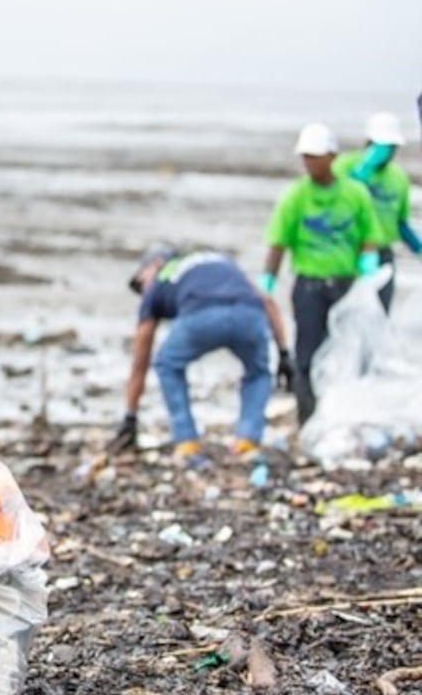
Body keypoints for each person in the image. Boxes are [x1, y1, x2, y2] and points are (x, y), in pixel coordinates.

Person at [108, 247, 291, 466]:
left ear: (156, 264)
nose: (142, 290)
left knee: (167, 363)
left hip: (201, 315)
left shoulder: (160, 279)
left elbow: (140, 360)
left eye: (140, 282)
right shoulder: (218, 260)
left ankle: (187, 443)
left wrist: (130, 414)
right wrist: (283, 352)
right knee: (259, 371)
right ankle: (248, 441)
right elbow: (267, 300)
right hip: (248, 312)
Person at [259, 123, 385, 425]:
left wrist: (369, 264)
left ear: (332, 156)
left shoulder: (355, 194)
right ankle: (309, 420)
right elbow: (278, 243)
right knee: (307, 355)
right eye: (306, 157)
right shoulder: (295, 197)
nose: (311, 163)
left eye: (316, 156)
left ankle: (346, 418)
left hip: (346, 284)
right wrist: (268, 283)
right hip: (309, 287)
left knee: (348, 352)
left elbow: (370, 235)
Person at [332, 111, 418, 311]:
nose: (387, 152)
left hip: (383, 256)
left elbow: (401, 223)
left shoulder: (398, 178)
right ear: (369, 142)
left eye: (391, 148)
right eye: (382, 146)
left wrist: (418, 247)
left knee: (379, 315)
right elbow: (337, 202)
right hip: (349, 253)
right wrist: (363, 171)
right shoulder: (344, 165)